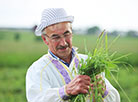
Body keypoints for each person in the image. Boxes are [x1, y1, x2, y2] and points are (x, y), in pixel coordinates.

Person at [26, 8, 120, 102]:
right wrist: (66, 91)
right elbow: (37, 99)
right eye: (55, 37)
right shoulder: (38, 70)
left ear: (72, 33)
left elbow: (115, 99)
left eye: (66, 34)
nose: (63, 43)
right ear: (45, 39)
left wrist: (103, 91)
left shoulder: (90, 62)